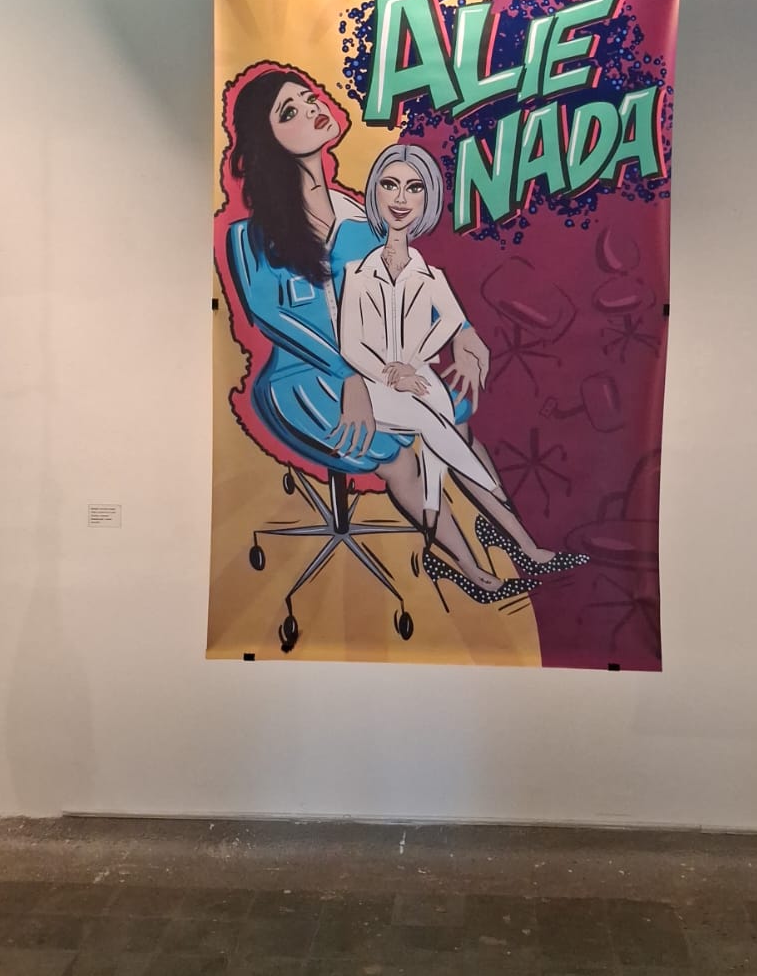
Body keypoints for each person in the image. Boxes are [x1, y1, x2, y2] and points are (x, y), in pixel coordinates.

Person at [219, 60, 522, 597]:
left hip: (374, 362)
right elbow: (274, 319)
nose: (311, 108)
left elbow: (408, 284)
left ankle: (513, 536)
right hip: (303, 379)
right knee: (399, 459)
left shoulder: (362, 214)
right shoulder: (251, 237)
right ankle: (465, 565)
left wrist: (462, 330)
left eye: (308, 97)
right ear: (268, 140)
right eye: (289, 111)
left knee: (455, 416)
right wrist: (349, 377)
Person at [339, 144, 589, 602]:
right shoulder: (357, 273)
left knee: (439, 443)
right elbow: (350, 345)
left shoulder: (430, 275)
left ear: (428, 198)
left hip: (420, 378)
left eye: (414, 188)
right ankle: (511, 546)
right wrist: (393, 373)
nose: (401, 198)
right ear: (375, 193)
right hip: (377, 387)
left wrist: (422, 357)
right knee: (435, 425)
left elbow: (454, 324)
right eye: (390, 185)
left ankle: (492, 551)